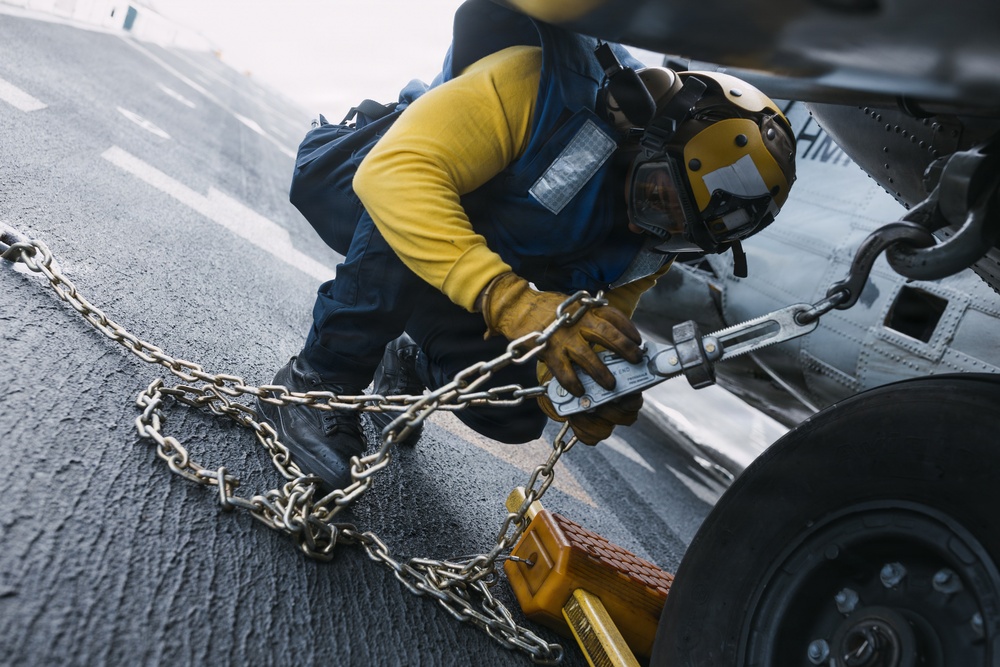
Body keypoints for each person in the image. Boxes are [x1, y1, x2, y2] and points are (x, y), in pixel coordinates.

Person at [257, 0, 796, 491]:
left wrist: (594, 385)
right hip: (363, 188)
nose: (644, 229)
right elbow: (394, 174)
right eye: (657, 198)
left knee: (516, 415)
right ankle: (318, 381)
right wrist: (511, 302)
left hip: (464, 271)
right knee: (422, 196)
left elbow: (589, 329)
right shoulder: (541, 85)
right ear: (644, 134)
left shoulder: (654, 239)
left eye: (675, 230)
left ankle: (413, 359)